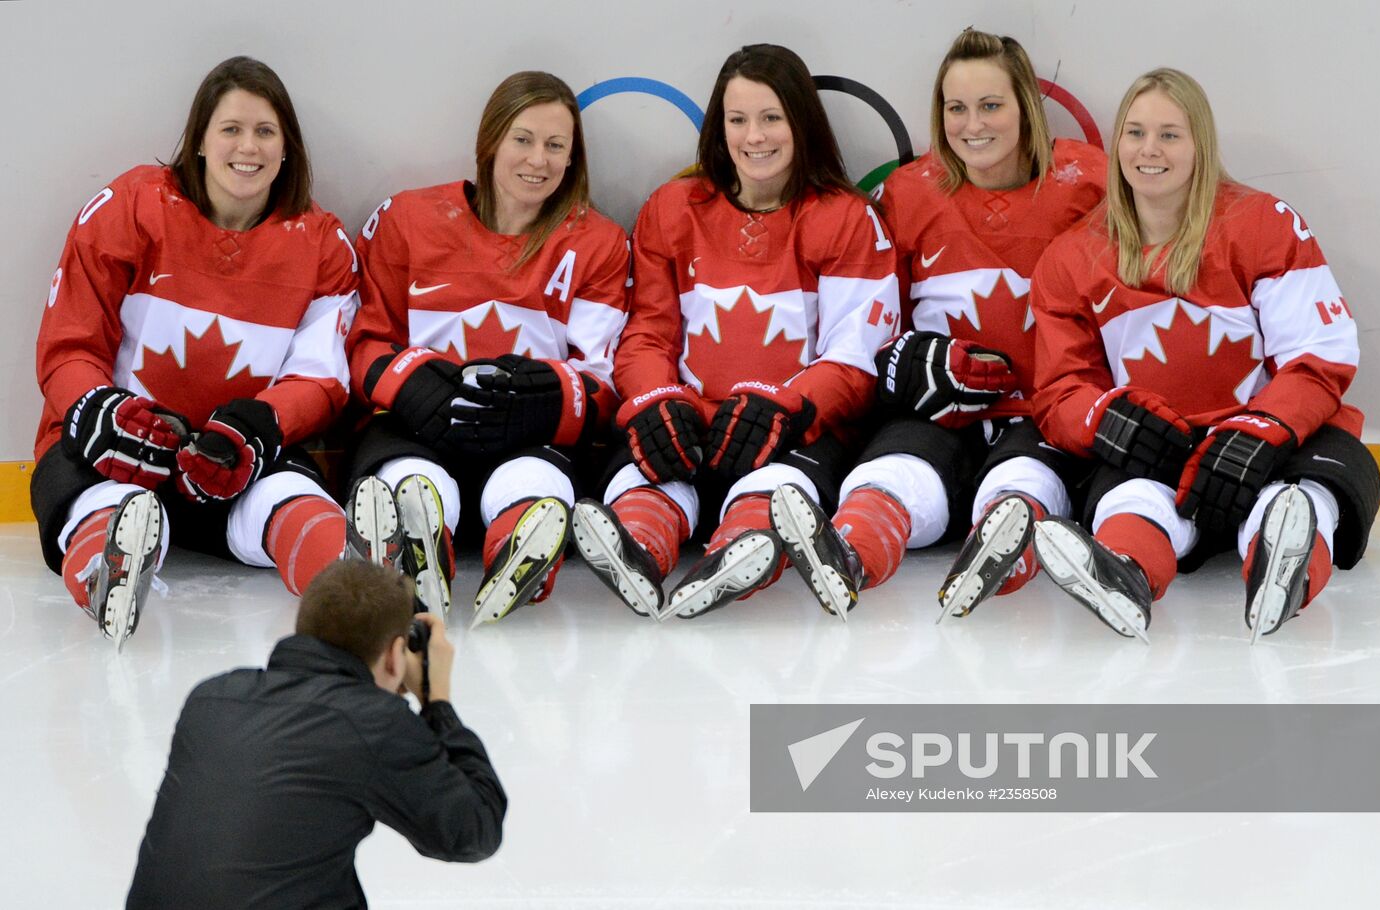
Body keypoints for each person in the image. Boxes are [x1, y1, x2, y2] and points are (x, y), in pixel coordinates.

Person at [1027, 68, 1380, 641]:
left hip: (1271, 438)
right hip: (1166, 447)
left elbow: (1319, 354)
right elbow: (1061, 389)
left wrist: (1263, 428)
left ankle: (1283, 563)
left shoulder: (1262, 223)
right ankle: (1124, 574)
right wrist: (1103, 421)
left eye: (1170, 134)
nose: (1149, 150)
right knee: (1130, 494)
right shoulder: (1072, 256)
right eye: (1135, 133)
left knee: (1299, 494)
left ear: (1201, 145)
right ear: (1115, 143)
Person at [766, 29, 1106, 619]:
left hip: (1045, 409)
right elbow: (872, 321)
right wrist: (904, 363)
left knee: (1022, 484)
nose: (972, 124)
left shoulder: (1094, 184)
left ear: (1026, 105)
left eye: (991, 105)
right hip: (941, 409)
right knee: (891, 474)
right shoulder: (908, 194)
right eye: (956, 108)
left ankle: (1001, 556)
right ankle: (847, 555)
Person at [31, 56, 360, 649]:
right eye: (230, 129)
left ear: (288, 149)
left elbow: (320, 378)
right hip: (122, 450)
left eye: (265, 132)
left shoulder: (322, 244)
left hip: (229, 463)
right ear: (200, 141)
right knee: (75, 473)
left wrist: (260, 426)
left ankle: (343, 572)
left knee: (290, 489)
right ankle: (106, 559)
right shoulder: (129, 206)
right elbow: (69, 342)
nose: (248, 147)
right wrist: (98, 409)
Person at [569, 43, 899, 619]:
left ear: (802, 124)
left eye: (772, 118)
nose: (755, 137)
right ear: (718, 130)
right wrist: (654, 399)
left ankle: (735, 556)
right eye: (738, 119)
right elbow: (647, 333)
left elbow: (855, 356)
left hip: (792, 426)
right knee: (649, 470)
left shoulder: (844, 216)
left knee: (773, 487)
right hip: (695, 413)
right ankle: (639, 552)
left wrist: (789, 406)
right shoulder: (673, 209)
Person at [344, 71, 628, 626]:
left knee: (534, 479)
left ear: (574, 159)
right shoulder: (408, 218)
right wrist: (413, 385)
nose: (538, 160)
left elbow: (603, 379)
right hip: (418, 426)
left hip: (526, 434)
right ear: (490, 141)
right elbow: (363, 340)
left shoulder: (597, 242)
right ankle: (415, 532)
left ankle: (522, 540)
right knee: (408, 472)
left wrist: (548, 398)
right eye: (523, 139)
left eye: (556, 146)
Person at [126, 559, 506, 908]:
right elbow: (475, 830)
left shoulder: (212, 698)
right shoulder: (371, 721)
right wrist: (437, 701)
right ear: (395, 654)